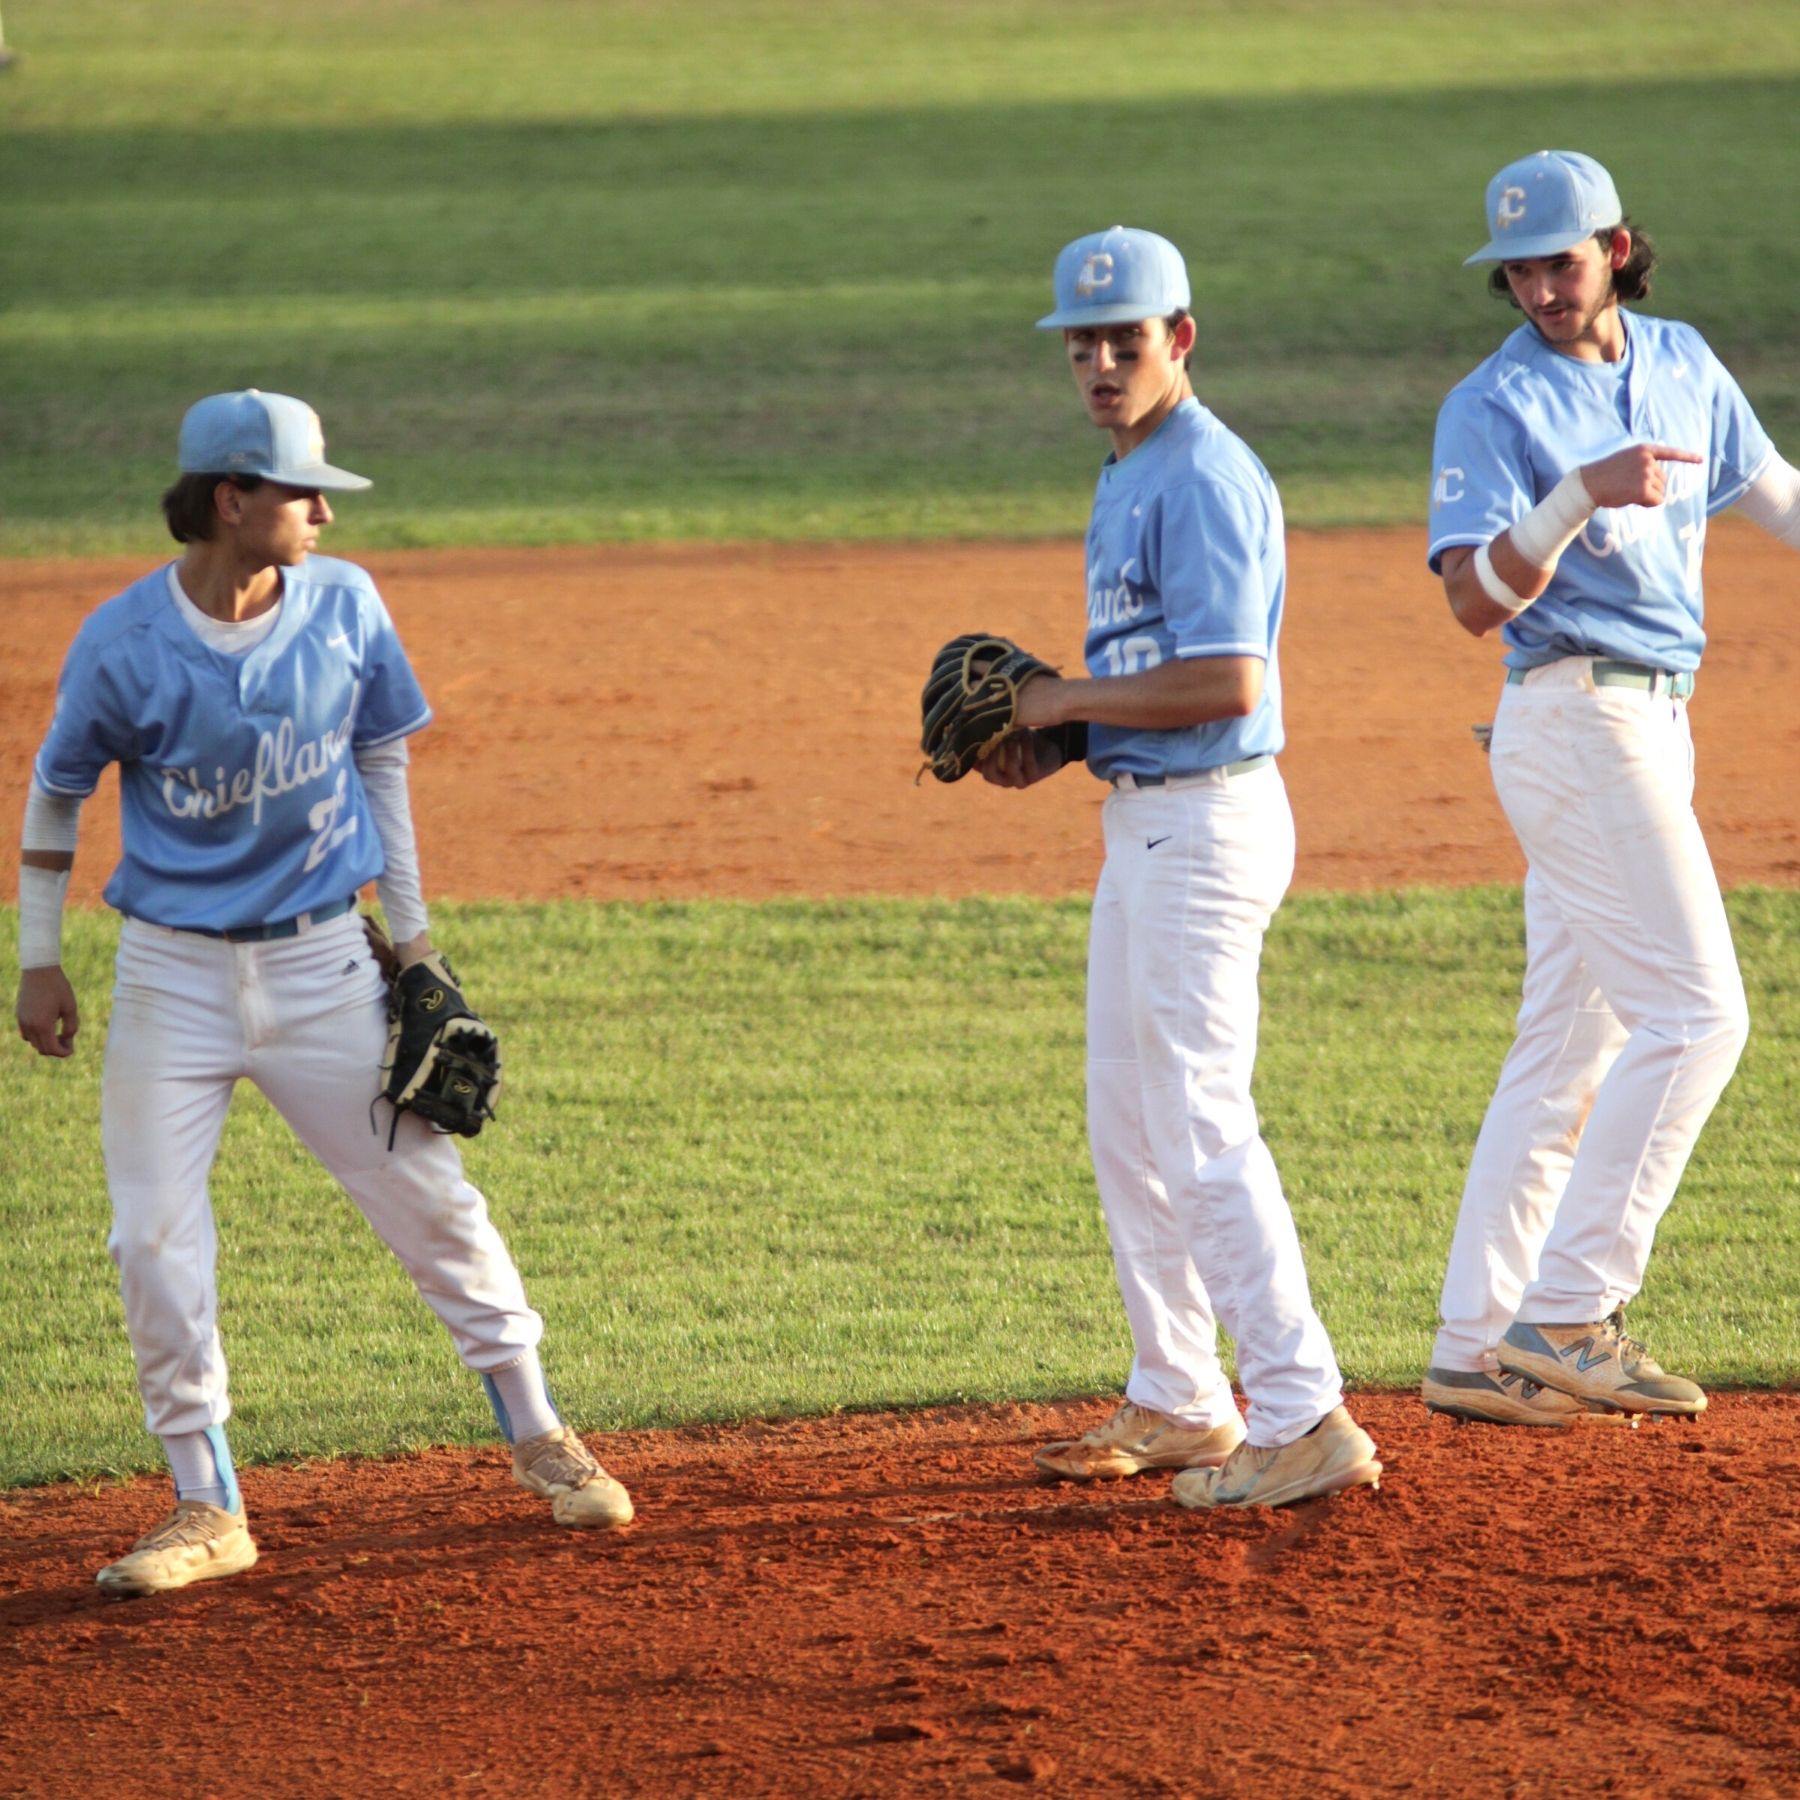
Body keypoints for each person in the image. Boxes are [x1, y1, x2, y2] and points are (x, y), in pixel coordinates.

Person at [15, 390, 634, 1595]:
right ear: (230, 501)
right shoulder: (123, 641)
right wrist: (40, 955)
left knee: (426, 1195)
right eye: (301, 491)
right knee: (150, 1234)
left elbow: (382, 759)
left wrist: (412, 941)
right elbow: (56, 794)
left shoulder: (344, 603)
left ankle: (539, 1433)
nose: (320, 509)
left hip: (321, 963)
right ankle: (207, 1504)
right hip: (170, 977)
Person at [983, 227, 1381, 1509]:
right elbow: (1154, 679)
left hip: (1206, 829)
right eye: (1083, 344)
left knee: (1200, 1121)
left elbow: (1228, 681)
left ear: (1181, 339)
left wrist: (1056, 697)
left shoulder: (1203, 474)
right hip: (1149, 821)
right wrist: (1065, 736)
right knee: (1130, 1120)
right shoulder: (1129, 469)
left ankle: (1304, 1411)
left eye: (1127, 340)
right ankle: (1181, 1396)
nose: (1101, 363)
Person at [1420, 151, 1800, 1426]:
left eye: (1560, 261)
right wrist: (1577, 495)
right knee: (1700, 1019)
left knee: (1566, 1046)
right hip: (1575, 722)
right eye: (1517, 269)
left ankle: (1477, 1343)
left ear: (1618, 248)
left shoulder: (1683, 360)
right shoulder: (1491, 406)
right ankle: (1573, 1309)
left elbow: (1778, 498)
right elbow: (1475, 603)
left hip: (1650, 727)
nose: (1538, 286)